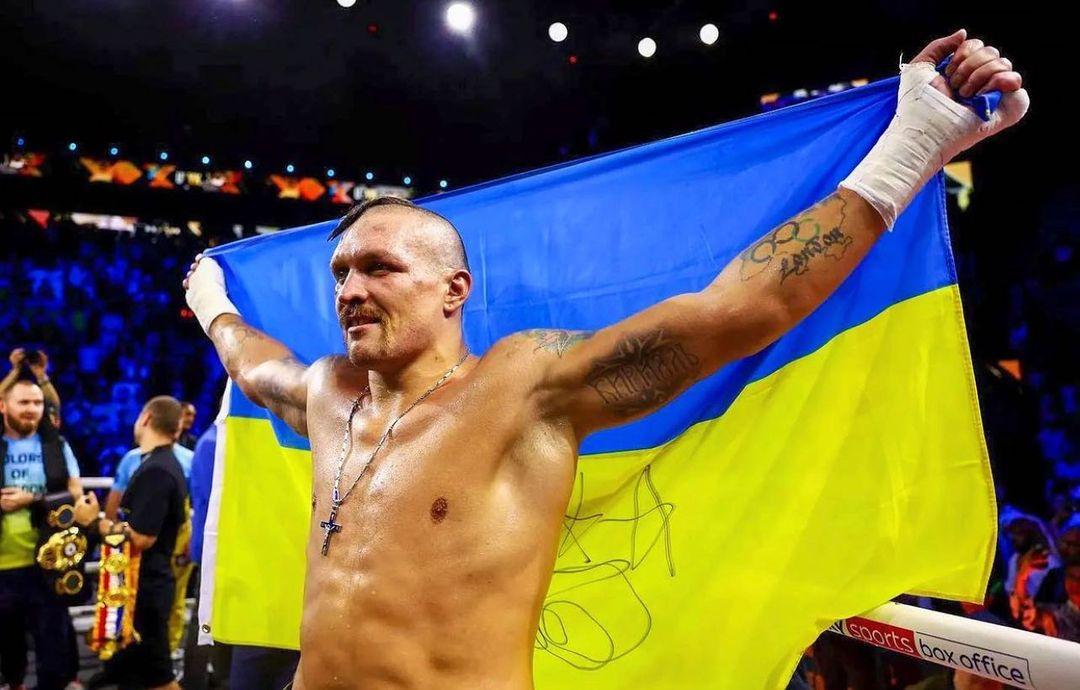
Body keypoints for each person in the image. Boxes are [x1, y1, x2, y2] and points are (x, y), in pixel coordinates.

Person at [184, 31, 1027, 690]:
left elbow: (739, 311)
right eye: (340, 273)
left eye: (379, 267)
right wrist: (210, 297)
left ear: (453, 289)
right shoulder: (328, 393)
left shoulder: (524, 388)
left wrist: (913, 144)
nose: (351, 290)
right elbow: (251, 364)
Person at [75, 396, 188, 690]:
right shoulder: (157, 464)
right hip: (140, 586)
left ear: (146, 418)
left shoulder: (157, 470)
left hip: (147, 589)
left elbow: (142, 537)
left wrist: (94, 521)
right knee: (135, 677)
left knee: (159, 679)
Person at [0, 379, 83, 690]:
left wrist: (32, 499)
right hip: (4, 564)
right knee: (9, 649)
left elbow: (76, 495)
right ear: (3, 406)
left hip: (49, 564)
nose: (32, 409)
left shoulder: (56, 446)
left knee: (52, 648)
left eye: (37, 403)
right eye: (24, 402)